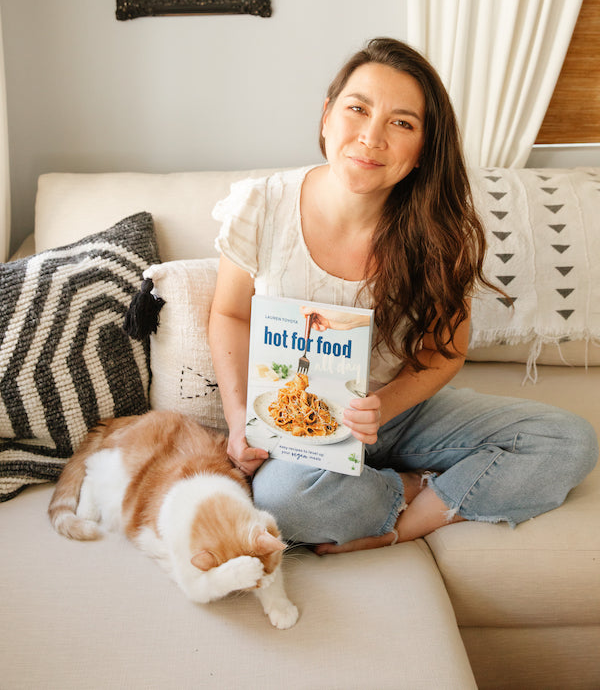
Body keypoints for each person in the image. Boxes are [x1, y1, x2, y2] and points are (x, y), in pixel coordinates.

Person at [208, 38, 598, 554]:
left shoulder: (439, 233)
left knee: (568, 439)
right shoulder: (261, 203)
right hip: (300, 428)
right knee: (282, 501)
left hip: (399, 415)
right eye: (357, 109)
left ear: (421, 152)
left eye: (402, 123)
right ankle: (412, 487)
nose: (371, 137)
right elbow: (230, 313)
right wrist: (239, 420)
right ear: (326, 117)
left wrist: (380, 406)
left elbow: (445, 354)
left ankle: (398, 526)